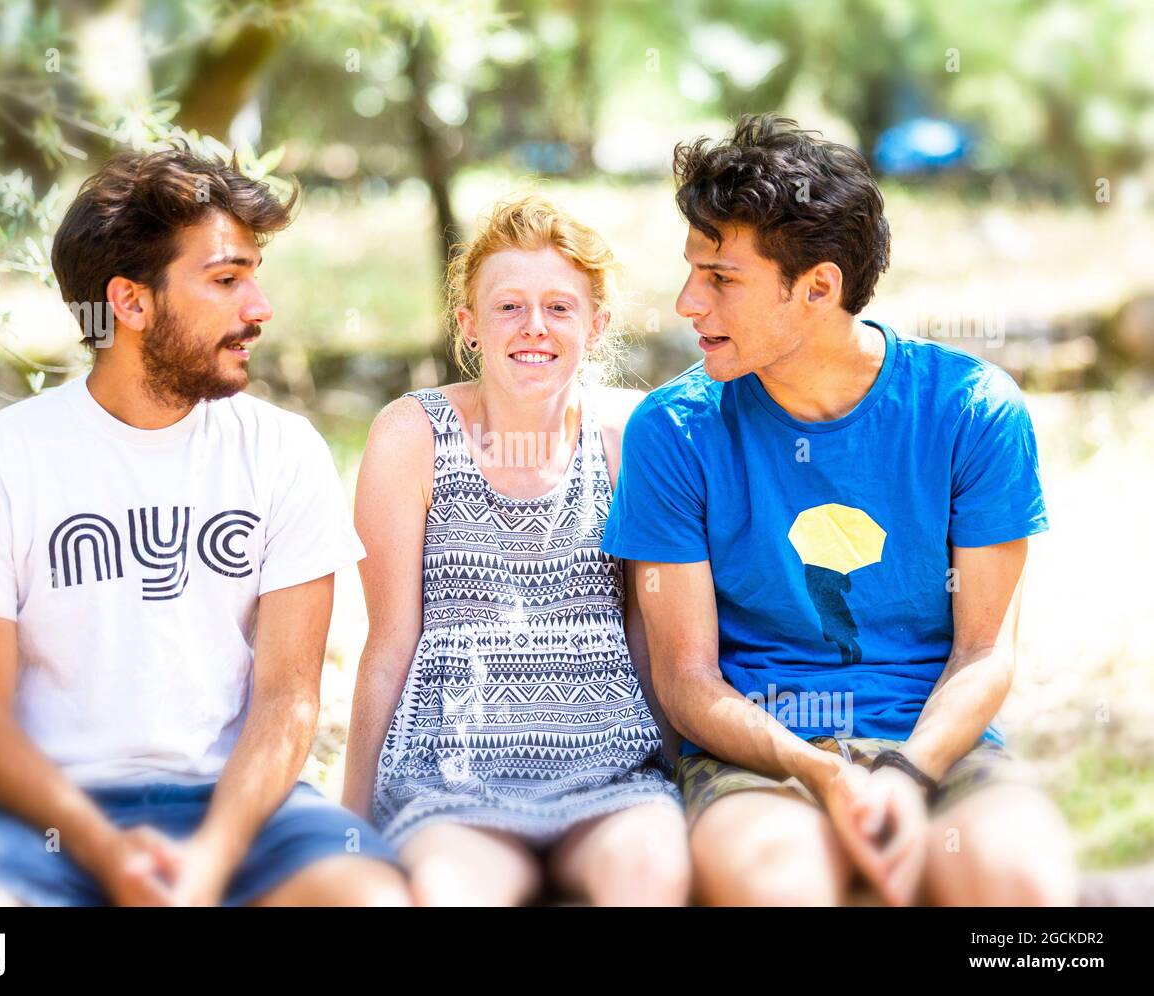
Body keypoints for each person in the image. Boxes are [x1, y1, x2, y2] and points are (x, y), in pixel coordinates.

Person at [0, 144, 409, 907]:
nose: (260, 308)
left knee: (369, 901)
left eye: (254, 277)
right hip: (48, 820)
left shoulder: (283, 452)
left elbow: (287, 700)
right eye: (227, 280)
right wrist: (107, 853)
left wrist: (211, 860)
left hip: (240, 809)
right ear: (131, 304)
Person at [603, 115, 1077, 906]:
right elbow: (685, 679)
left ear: (818, 287)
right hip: (757, 760)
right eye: (693, 270)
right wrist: (821, 771)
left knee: (1022, 892)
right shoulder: (675, 430)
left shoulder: (972, 410)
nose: (688, 301)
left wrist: (905, 771)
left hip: (939, 745)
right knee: (783, 891)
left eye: (722, 278)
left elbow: (985, 653)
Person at [343, 195, 688, 906]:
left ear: (597, 326)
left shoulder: (627, 433)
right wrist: (349, 824)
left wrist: (677, 770)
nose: (534, 327)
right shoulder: (413, 437)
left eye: (560, 307)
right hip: (454, 779)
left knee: (652, 880)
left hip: (611, 775)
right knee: (447, 892)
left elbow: (647, 635)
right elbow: (387, 644)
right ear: (468, 326)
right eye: (508, 307)